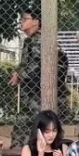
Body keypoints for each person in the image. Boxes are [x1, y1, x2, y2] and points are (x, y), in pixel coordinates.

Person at [9, 8, 70, 147]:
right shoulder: (33, 40)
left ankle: (21, 153)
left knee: (30, 126)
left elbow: (38, 64)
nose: (21, 22)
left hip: (39, 94)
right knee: (37, 127)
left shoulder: (39, 40)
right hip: (41, 93)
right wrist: (18, 72)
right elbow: (28, 63)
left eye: (25, 19)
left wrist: (20, 75)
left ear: (36, 21)